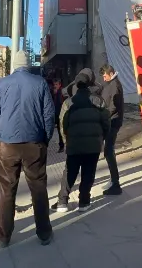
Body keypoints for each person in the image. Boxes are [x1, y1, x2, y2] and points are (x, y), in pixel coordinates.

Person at [0, 51, 56, 248]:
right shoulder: (40, 83)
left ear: (14, 65)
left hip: (7, 145)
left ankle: (3, 237)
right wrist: (46, 138)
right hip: (34, 144)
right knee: (38, 189)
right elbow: (48, 115)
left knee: (7, 190)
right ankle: (44, 233)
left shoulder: (2, 84)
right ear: (28, 65)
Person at [53, 69, 110, 213]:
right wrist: (100, 138)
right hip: (93, 145)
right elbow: (106, 122)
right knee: (88, 172)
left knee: (69, 172)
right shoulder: (98, 101)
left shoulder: (68, 103)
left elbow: (62, 124)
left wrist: (67, 141)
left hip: (74, 144)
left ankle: (62, 202)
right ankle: (84, 202)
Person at [95, 64, 125, 195]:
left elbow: (114, 106)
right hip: (110, 121)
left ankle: (115, 183)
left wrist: (103, 115)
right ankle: (113, 180)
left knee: (108, 151)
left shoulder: (115, 85)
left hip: (113, 122)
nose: (103, 77)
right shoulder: (111, 84)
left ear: (111, 73)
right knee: (108, 151)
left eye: (105, 75)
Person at [51, 78, 66, 153]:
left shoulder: (61, 92)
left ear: (60, 85)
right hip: (57, 114)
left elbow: (61, 103)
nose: (55, 86)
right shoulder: (56, 92)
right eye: (54, 85)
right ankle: (61, 145)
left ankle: (62, 145)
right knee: (59, 131)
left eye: (56, 84)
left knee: (61, 131)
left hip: (61, 114)